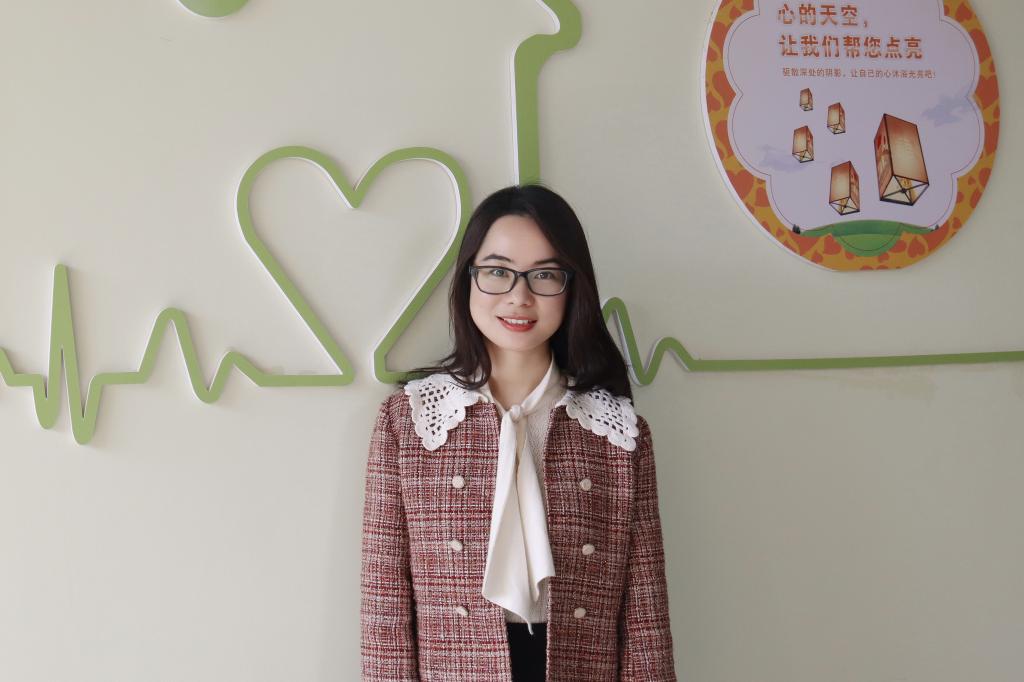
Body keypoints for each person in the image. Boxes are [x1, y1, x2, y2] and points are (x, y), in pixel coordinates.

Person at [360, 184, 675, 681]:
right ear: (468, 279)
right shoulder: (410, 421)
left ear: (572, 287)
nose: (519, 296)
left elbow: (645, 619)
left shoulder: (617, 433)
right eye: (498, 271)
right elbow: (385, 609)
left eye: (545, 274)